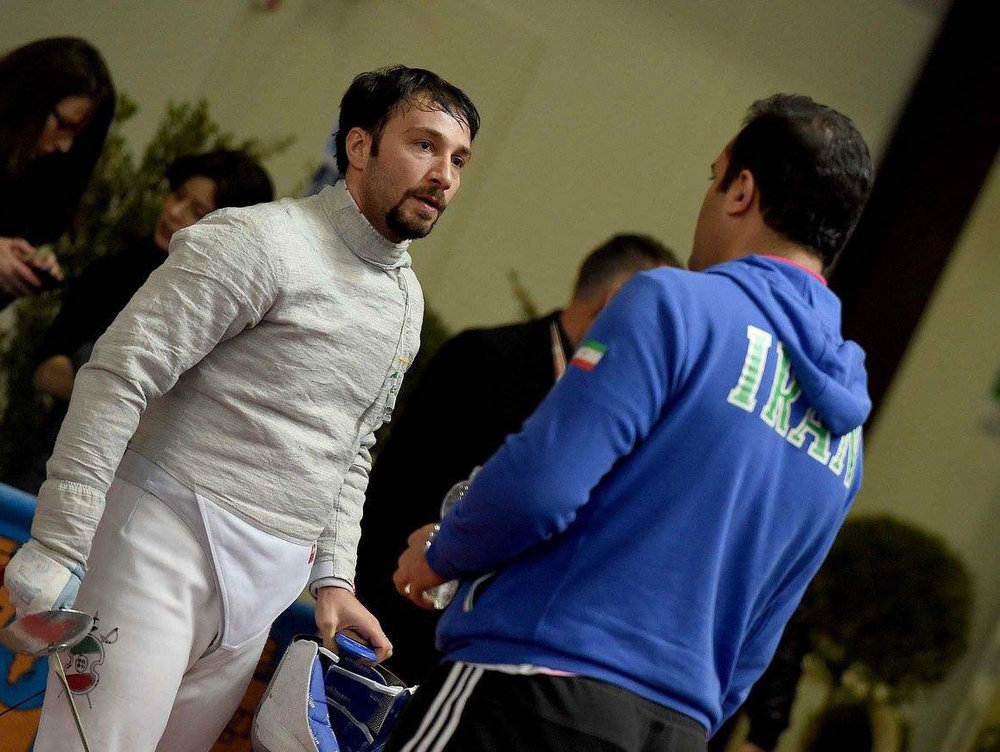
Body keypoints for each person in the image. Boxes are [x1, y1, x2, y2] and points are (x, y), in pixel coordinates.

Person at [1, 65, 479, 752]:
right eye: (425, 145)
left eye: (459, 159)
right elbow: (118, 374)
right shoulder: (257, 241)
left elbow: (350, 447)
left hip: (265, 589)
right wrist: (59, 542)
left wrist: (334, 579)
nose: (444, 176)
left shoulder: (404, 299)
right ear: (359, 146)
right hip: (156, 549)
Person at [390, 93, 873, 752]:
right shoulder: (846, 425)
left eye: (713, 178)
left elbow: (540, 487)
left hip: (535, 685)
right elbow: (764, 627)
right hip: (678, 728)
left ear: (741, 192)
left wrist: (443, 553)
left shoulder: (676, 304)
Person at [355, 233, 680, 682]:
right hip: (408, 621)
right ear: (616, 299)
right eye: (659, 320)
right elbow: (395, 493)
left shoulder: (626, 406)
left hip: (520, 648)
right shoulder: (483, 358)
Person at [0, 150, 273, 494]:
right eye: (177, 196)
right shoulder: (115, 271)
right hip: (63, 462)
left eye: (198, 212)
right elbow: (47, 372)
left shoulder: (234, 310)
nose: (174, 213)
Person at [0, 37, 115, 304]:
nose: (65, 146)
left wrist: (20, 267)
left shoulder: (33, 184)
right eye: (63, 125)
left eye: (77, 135)